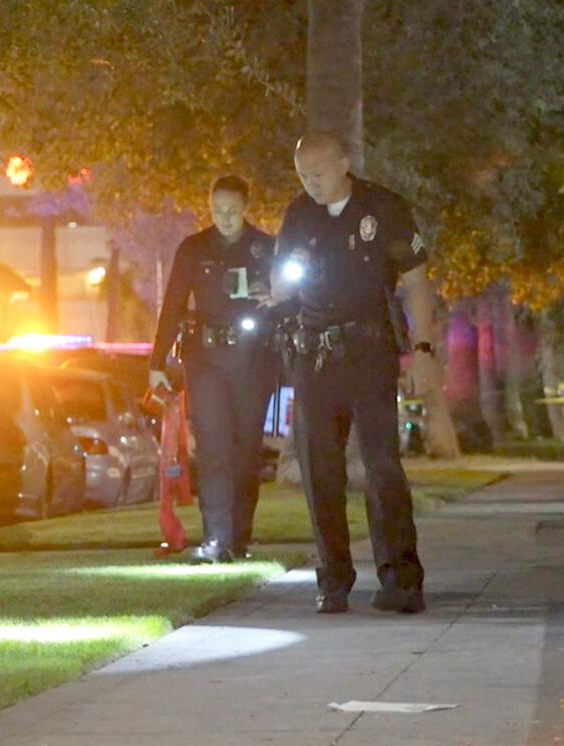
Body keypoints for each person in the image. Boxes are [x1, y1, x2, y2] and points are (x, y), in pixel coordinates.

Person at [271, 132, 437, 615]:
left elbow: (418, 284)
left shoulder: (383, 208)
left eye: (318, 172)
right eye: (303, 175)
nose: (312, 183)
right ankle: (333, 580)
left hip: (369, 352)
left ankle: (401, 580)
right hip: (315, 356)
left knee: (382, 467)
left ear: (344, 163)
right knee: (319, 471)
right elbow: (282, 284)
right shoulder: (298, 215)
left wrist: (423, 349)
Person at [148, 175, 279, 564]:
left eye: (233, 210)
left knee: (245, 449)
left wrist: (274, 297)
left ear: (246, 206)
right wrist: (157, 363)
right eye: (218, 209)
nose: (225, 217)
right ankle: (215, 539)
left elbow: (293, 298)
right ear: (209, 205)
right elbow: (172, 304)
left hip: (252, 358)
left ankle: (239, 537)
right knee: (213, 446)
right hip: (205, 358)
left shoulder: (265, 248)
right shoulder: (193, 249)